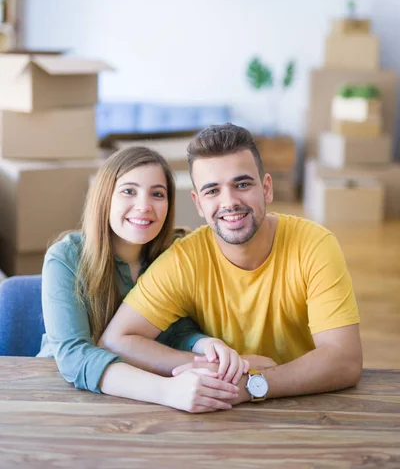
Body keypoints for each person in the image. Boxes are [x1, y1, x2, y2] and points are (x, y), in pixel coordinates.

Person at [100, 124, 363, 407]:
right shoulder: (185, 260)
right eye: (212, 190)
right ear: (198, 203)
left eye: (242, 185)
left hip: (308, 406)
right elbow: (115, 340)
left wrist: (250, 384)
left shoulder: (314, 245)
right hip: (219, 412)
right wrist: (203, 366)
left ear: (266, 188)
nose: (229, 202)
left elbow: (345, 360)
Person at [40, 145, 248, 413]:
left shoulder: (175, 252)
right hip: (66, 392)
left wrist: (204, 344)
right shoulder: (66, 257)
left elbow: (175, 331)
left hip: (146, 391)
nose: (144, 206)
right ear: (105, 197)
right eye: (129, 191)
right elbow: (73, 355)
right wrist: (167, 391)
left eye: (157, 194)